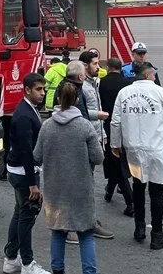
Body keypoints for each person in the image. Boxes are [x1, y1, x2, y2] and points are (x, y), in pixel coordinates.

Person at [34, 81, 104, 274]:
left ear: (57, 99)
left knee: (57, 232)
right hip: (81, 188)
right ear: (77, 100)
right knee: (86, 234)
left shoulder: (47, 126)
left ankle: (58, 271)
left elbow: (37, 156)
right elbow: (98, 157)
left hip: (55, 190)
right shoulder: (84, 126)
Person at [110, 61, 163, 251]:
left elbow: (115, 121)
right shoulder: (160, 92)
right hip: (156, 148)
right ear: (150, 75)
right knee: (156, 191)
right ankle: (156, 235)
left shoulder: (124, 93)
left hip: (133, 149)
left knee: (138, 186)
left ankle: (139, 228)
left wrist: (115, 145)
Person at [65, 55, 114, 243]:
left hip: (93, 136)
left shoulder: (91, 84)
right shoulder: (76, 88)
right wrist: (97, 117)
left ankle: (88, 221)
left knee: (87, 186)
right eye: (94, 63)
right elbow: (78, 115)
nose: (97, 66)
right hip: (82, 142)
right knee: (77, 186)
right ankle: (73, 225)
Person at [3, 73, 48, 274]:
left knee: (20, 213)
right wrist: (32, 183)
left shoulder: (28, 109)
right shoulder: (23, 115)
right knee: (27, 217)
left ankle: (11, 258)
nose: (43, 93)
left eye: (43, 89)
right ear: (27, 90)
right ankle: (27, 264)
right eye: (38, 89)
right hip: (23, 173)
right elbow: (26, 152)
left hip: (20, 171)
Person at [122, 42, 163, 195]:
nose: (142, 55)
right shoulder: (125, 70)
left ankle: (158, 184)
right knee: (134, 160)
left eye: (144, 52)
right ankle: (124, 183)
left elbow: (159, 90)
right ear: (133, 53)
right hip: (133, 113)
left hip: (149, 114)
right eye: (139, 53)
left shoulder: (152, 69)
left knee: (154, 156)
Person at [98, 58, 134, 216]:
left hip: (107, 125)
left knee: (115, 162)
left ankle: (130, 202)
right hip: (126, 126)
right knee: (117, 162)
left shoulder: (101, 83)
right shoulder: (128, 84)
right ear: (120, 68)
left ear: (108, 68)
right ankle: (109, 191)